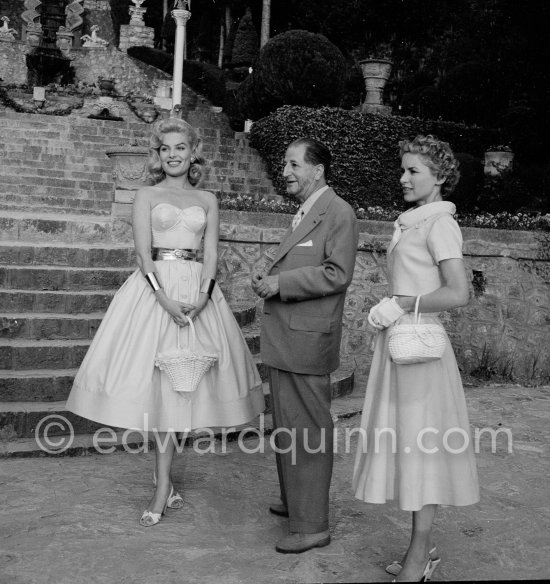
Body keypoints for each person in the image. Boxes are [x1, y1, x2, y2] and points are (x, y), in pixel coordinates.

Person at [66, 117, 264, 527]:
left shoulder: (208, 199)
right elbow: (142, 254)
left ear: (193, 153)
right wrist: (164, 298)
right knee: (157, 391)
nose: (173, 154)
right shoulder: (146, 195)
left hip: (197, 295)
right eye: (166, 148)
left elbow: (211, 254)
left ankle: (164, 483)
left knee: (184, 390)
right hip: (154, 295)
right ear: (158, 154)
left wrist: (203, 297)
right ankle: (163, 484)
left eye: (180, 147)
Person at [352, 135, 480, 581]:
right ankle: (419, 549)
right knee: (408, 448)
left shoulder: (439, 223)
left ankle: (419, 554)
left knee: (422, 450)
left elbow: (458, 292)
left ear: (440, 177)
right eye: (403, 169)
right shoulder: (411, 221)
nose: (403, 178)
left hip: (421, 351)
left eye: (414, 171)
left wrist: (404, 304)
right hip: (400, 345)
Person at [252, 137, 359, 554]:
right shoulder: (307, 210)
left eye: (293, 165)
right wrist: (269, 274)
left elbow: (337, 273)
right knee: (287, 425)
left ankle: (312, 524)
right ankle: (296, 501)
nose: (285, 172)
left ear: (317, 170)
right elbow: (300, 260)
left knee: (308, 430)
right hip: (288, 337)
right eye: (284, 165)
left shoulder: (339, 212)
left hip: (307, 340)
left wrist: (280, 283)